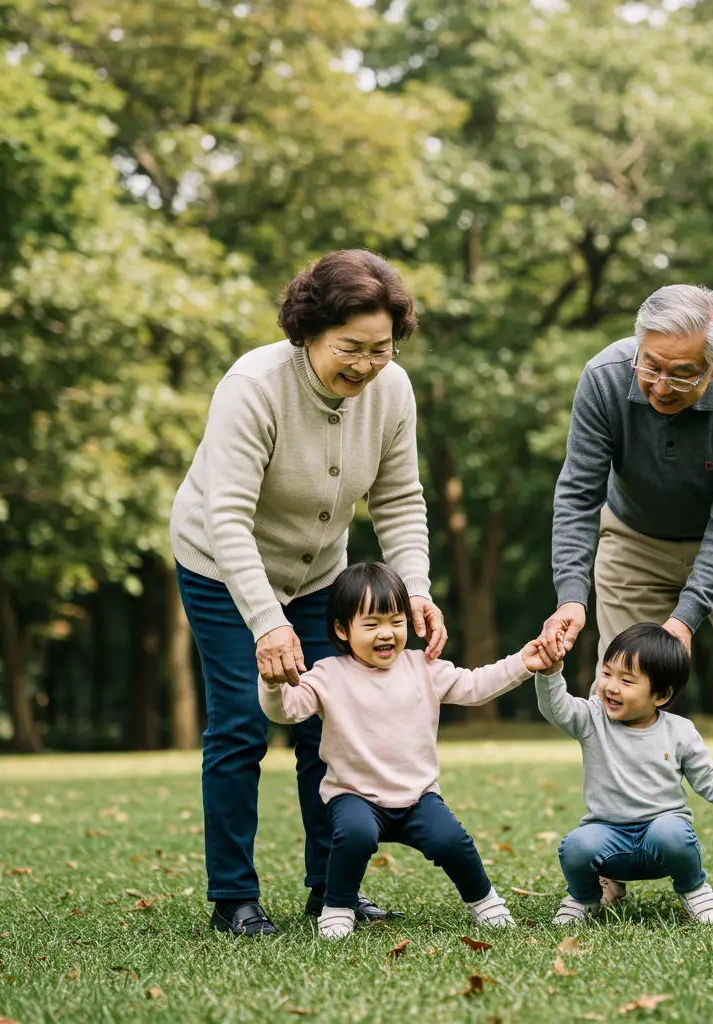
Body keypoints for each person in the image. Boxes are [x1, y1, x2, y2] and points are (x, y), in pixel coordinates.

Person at [171, 250, 447, 935]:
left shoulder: (393, 391)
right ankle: (233, 897)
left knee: (329, 724)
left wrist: (416, 587)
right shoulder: (254, 386)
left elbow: (399, 499)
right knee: (242, 721)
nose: (366, 365)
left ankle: (333, 890)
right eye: (350, 348)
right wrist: (267, 623)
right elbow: (226, 518)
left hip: (320, 573)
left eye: (381, 348)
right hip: (221, 567)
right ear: (308, 332)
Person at [539, 284, 713, 904]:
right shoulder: (604, 378)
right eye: (650, 366)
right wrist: (571, 595)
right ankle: (608, 860)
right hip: (635, 538)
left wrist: (686, 618)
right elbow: (578, 492)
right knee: (616, 693)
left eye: (682, 374)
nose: (660, 385)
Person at [258, 562, 558, 938]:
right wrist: (272, 685)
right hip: (354, 795)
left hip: (417, 797)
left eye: (396, 622)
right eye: (371, 624)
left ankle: (485, 901)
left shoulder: (422, 668)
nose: (386, 633)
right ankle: (337, 906)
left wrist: (523, 663)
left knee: (452, 841)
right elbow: (286, 710)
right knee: (354, 834)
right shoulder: (328, 674)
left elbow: (475, 686)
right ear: (342, 629)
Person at [536, 623, 713, 925]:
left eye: (627, 680)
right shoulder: (592, 719)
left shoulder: (679, 731)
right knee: (576, 846)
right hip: (608, 837)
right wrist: (550, 673)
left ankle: (693, 889)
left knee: (672, 833)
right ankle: (585, 897)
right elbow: (556, 708)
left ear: (661, 695)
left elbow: (710, 778)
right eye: (607, 673)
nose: (611, 686)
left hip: (661, 837)